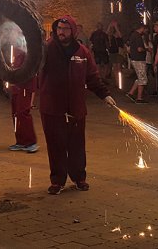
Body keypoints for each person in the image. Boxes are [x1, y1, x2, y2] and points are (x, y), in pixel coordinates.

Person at [38, 15, 116, 194]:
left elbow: (92, 77)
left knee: (77, 145)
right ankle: (57, 181)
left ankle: (79, 177)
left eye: (65, 29)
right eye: (58, 29)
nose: (60, 32)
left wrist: (105, 95)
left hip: (76, 107)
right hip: (52, 107)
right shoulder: (46, 50)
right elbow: (32, 65)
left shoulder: (82, 52)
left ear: (73, 31)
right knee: (55, 145)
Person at [8, 48, 38, 153]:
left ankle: (31, 142)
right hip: (16, 88)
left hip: (25, 87)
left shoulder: (28, 52)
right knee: (16, 115)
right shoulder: (15, 51)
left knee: (23, 113)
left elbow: (29, 72)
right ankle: (20, 141)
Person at [126, 23, 149, 103]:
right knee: (143, 79)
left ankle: (131, 93)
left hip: (134, 58)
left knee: (139, 77)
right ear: (142, 28)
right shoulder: (138, 36)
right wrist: (147, 49)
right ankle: (139, 98)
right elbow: (139, 49)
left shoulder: (132, 35)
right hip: (139, 59)